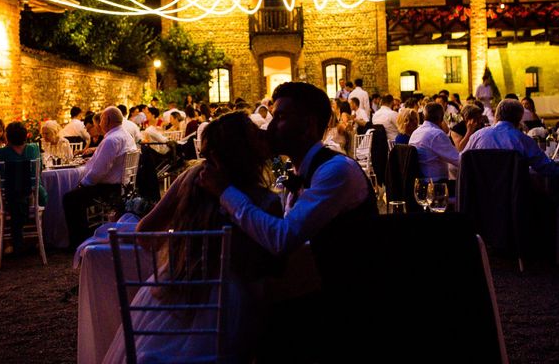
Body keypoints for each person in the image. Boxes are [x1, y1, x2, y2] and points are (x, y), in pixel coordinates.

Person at [198, 81, 377, 362]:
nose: (270, 127)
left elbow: (283, 238)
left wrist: (225, 192)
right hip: (311, 291)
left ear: (307, 125)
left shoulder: (337, 170)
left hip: (343, 302)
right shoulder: (303, 171)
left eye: (280, 117)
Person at [103, 111, 283, 363]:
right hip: (232, 301)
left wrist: (183, 242)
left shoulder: (189, 179)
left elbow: (144, 234)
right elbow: (265, 267)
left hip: (179, 286)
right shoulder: (266, 200)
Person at [63, 106, 136, 248]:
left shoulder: (111, 139)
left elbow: (98, 171)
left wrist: (83, 184)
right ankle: (86, 234)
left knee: (70, 198)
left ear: (107, 120)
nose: (99, 124)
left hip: (110, 189)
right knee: (75, 196)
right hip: (123, 186)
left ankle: (79, 240)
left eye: (101, 120)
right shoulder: (126, 135)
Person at [463, 99, 559, 177]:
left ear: (496, 116)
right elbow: (546, 167)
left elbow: (462, 160)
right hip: (513, 197)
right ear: (519, 119)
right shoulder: (524, 140)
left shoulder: (477, 136)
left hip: (481, 196)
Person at [0, 121, 48, 253]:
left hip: (8, 198)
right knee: (36, 194)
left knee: (5, 196)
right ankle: (37, 239)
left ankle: (9, 243)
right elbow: (39, 171)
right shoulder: (34, 148)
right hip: (34, 195)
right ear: (25, 135)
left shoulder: (0, 153)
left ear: (8, 136)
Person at [408, 102, 459, 181]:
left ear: (423, 116)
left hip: (419, 181)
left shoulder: (416, 132)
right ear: (441, 118)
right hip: (435, 183)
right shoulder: (436, 134)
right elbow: (458, 160)